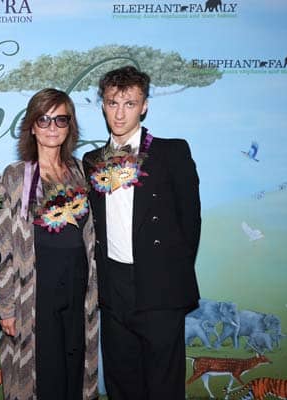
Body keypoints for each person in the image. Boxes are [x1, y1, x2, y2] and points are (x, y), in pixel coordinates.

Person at [82, 65, 201, 400]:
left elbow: (190, 223)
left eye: (129, 104)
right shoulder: (91, 161)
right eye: (112, 103)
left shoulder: (172, 152)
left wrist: (168, 272)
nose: (119, 113)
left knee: (163, 386)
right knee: (121, 383)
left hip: (160, 287)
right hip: (112, 287)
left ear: (144, 105)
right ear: (102, 104)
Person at [0, 88, 99, 400]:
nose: (52, 127)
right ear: (31, 125)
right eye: (44, 119)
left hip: (79, 290)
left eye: (61, 119)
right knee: (43, 373)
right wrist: (6, 306)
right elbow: (5, 245)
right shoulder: (15, 176)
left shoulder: (82, 171)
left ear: (70, 126)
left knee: (75, 368)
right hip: (35, 290)